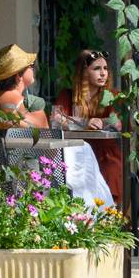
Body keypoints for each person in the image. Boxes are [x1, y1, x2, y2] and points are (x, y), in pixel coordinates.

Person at [53, 49, 128, 203]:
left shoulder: (112, 96)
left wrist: (103, 122)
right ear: (83, 72)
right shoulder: (67, 95)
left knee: (111, 179)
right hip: (75, 154)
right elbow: (56, 120)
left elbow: (118, 124)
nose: (103, 73)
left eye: (105, 68)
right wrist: (85, 123)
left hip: (105, 155)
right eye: (96, 68)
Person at [0, 43, 49, 131]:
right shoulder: (27, 105)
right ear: (18, 76)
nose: (33, 68)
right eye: (31, 65)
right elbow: (48, 136)